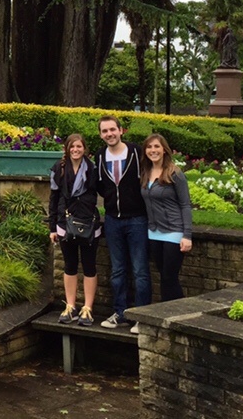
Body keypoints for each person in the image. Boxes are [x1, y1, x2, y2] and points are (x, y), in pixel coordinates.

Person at [95, 115, 151, 334]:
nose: (109, 134)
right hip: (112, 220)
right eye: (104, 131)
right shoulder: (100, 156)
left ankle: (142, 316)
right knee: (117, 270)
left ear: (121, 131)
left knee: (140, 270)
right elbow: (100, 185)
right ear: (101, 135)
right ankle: (120, 312)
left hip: (137, 219)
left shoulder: (136, 152)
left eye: (112, 130)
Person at [48, 133, 101, 327]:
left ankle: (88, 308)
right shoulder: (59, 169)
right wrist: (52, 226)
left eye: (79, 146)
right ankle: (70, 306)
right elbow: (53, 198)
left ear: (84, 148)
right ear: (67, 149)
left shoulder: (93, 169)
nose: (75, 150)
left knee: (89, 265)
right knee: (70, 265)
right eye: (72, 147)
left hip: (88, 223)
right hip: (64, 222)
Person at [140, 134, 193, 302]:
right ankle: (166, 315)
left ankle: (175, 314)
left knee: (170, 277)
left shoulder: (175, 173)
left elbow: (185, 205)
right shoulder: (145, 172)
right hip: (154, 232)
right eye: (149, 147)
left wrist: (187, 235)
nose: (153, 150)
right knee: (163, 276)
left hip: (174, 232)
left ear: (164, 150)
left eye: (157, 146)